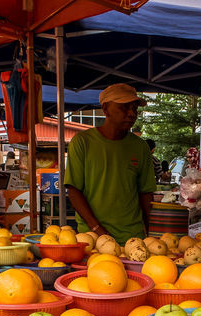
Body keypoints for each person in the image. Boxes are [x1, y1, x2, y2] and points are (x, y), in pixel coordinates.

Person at [64, 83, 156, 241]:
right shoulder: (82, 142)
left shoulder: (140, 147)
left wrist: (152, 234)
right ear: (106, 109)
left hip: (132, 239)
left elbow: (146, 195)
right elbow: (73, 191)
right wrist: (97, 229)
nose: (131, 114)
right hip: (92, 239)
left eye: (134, 109)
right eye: (124, 108)